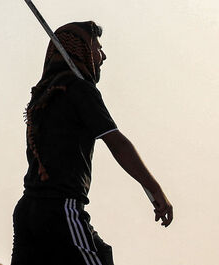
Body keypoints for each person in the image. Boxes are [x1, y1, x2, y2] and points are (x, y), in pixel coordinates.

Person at [11, 21, 173, 265]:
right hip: (61, 208)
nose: (103, 56)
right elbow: (116, 142)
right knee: (100, 258)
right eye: (97, 48)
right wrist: (154, 188)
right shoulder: (79, 89)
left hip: (27, 211)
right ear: (81, 50)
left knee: (99, 252)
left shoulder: (42, 94)